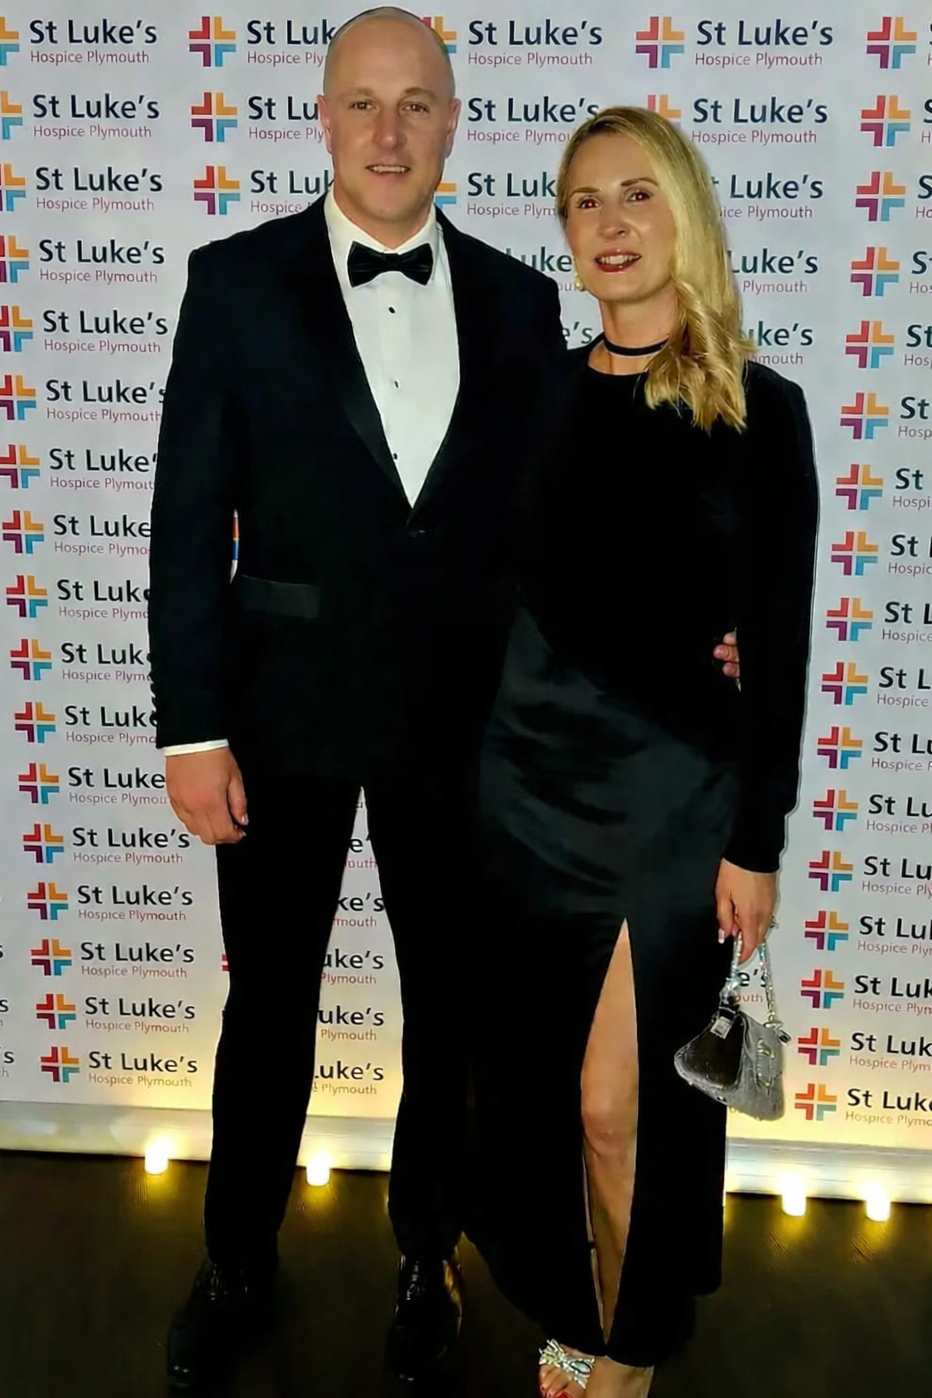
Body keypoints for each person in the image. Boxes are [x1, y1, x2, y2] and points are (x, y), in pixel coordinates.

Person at [147, 8, 567, 1389]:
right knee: (269, 1003)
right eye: (364, 104)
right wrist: (192, 727)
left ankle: (423, 1256)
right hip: (278, 723)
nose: (391, 133)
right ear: (323, 119)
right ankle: (238, 1259)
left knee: (449, 1010)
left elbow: (546, 537)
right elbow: (185, 521)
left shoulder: (520, 301)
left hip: (460, 732)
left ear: (452, 124)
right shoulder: (235, 283)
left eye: (419, 106)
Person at [469, 107, 817, 1398]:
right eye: (583, 203)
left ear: (683, 217)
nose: (609, 225)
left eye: (635, 197)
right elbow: (476, 584)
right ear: (564, 232)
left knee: (624, 1107)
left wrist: (756, 837)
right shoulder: (534, 397)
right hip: (524, 793)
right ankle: (587, 1298)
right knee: (543, 1101)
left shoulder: (759, 411)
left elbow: (773, 644)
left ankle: (631, 1345)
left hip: (672, 801)